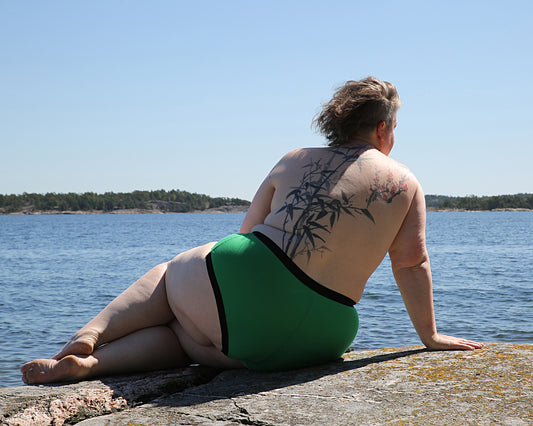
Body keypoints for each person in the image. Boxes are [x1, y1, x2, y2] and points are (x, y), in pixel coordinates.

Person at [21, 77, 483, 384]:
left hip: (242, 287)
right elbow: (411, 261)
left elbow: (248, 234)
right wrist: (429, 336)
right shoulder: (405, 182)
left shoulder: (294, 158)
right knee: (187, 343)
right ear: (384, 129)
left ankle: (87, 338)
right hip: (323, 334)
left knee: (169, 280)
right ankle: (89, 366)